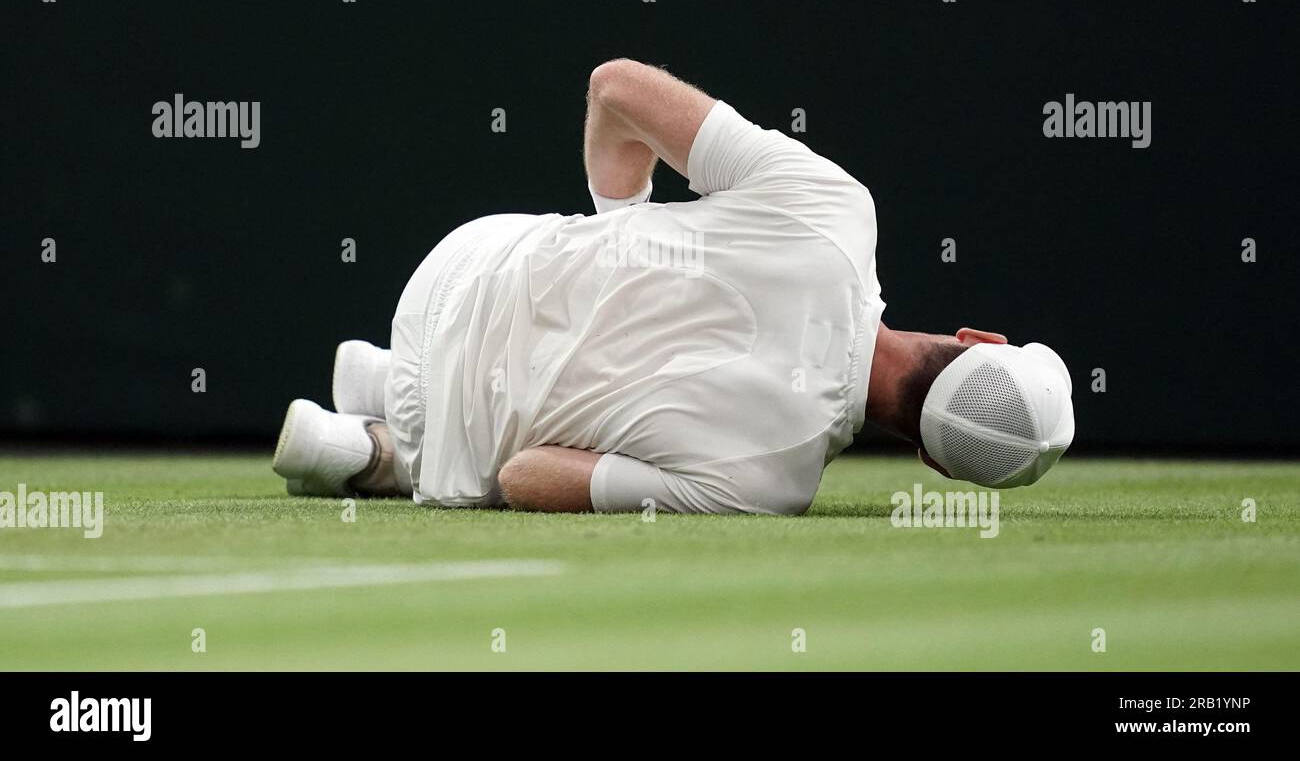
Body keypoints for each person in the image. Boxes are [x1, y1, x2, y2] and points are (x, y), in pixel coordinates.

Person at [272, 59, 1075, 514]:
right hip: (446, 437)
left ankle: (376, 382)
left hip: (455, 263)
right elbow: (522, 476)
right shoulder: (774, 486)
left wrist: (620, 225)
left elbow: (613, 86)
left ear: (980, 338)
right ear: (935, 466)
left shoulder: (839, 210)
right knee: (463, 453)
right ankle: (372, 451)